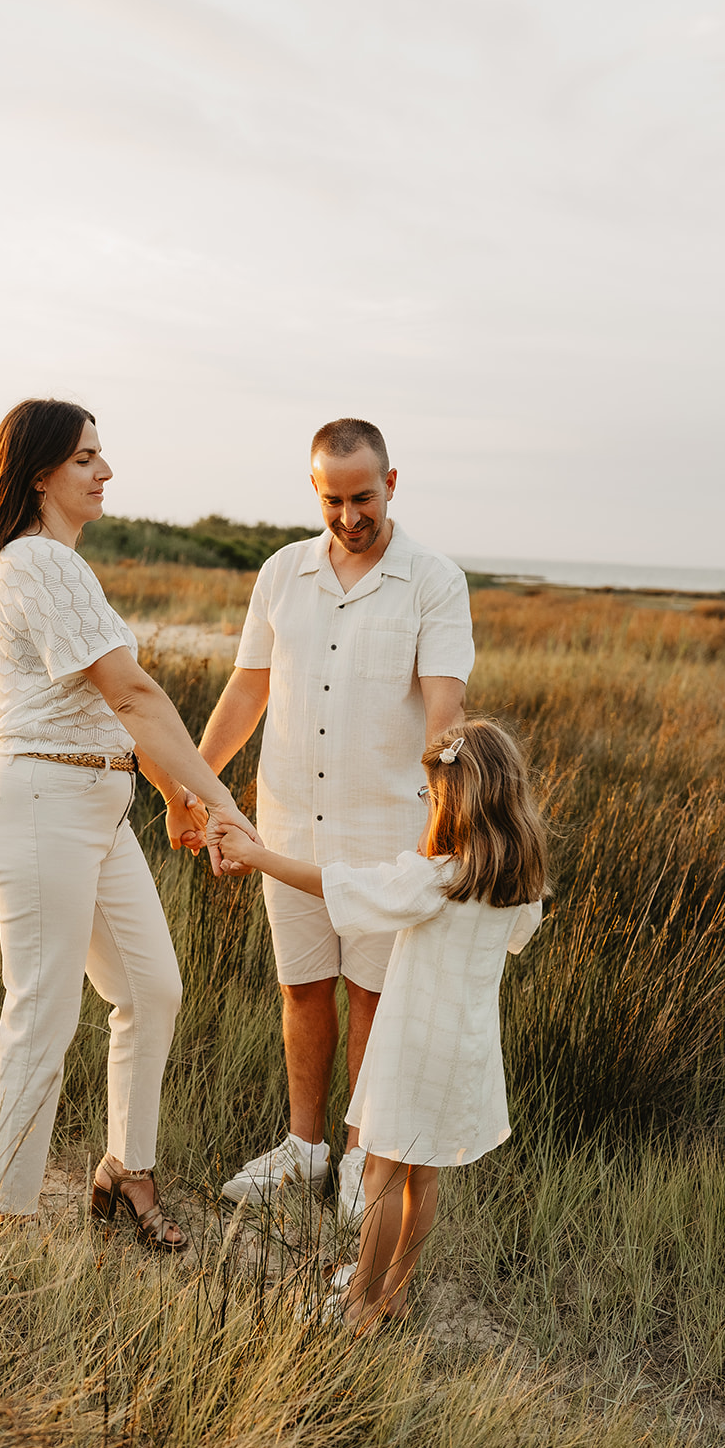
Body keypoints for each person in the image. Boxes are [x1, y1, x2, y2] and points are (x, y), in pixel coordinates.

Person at [0, 397, 257, 1248]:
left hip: (97, 806)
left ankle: (126, 1170)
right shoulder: (36, 565)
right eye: (86, 457)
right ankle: (1, 1215)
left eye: (101, 455)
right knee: (42, 1011)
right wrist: (223, 802)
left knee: (151, 988)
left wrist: (169, 791)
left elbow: (114, 713)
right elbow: (134, 693)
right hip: (41, 804)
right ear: (40, 472)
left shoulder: (63, 568)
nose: (105, 471)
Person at [172, 418, 475, 1218]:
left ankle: (356, 1155)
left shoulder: (434, 580)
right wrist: (197, 788)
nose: (349, 516)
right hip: (287, 824)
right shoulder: (281, 572)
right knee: (301, 987)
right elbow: (247, 689)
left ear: (392, 483)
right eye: (334, 499)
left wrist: (440, 828)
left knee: (372, 994)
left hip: (389, 833)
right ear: (315, 491)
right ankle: (303, 1148)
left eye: (364, 497)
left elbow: (445, 712)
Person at [213, 717, 548, 1326]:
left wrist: (258, 855)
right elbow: (516, 940)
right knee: (424, 1175)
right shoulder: (520, 885)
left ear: (457, 800)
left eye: (432, 796)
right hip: (466, 1048)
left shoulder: (434, 879)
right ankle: (394, 1292)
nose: (430, 806)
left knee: (380, 1172)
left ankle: (359, 1303)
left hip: (410, 1045)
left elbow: (340, 885)